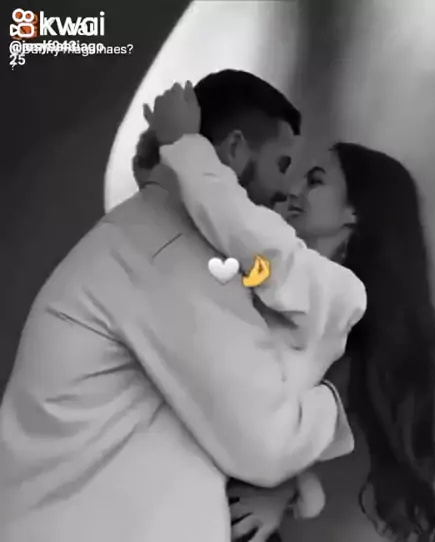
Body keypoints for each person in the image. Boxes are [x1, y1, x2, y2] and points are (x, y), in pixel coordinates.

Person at [0, 70, 363, 542]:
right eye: (281, 165)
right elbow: (266, 443)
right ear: (235, 150)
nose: (284, 192)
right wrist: (335, 400)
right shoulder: (174, 252)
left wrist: (294, 487)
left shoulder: (148, 238)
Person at [143, 82, 435, 542]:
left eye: (315, 180)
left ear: (354, 213)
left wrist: (184, 144)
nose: (291, 190)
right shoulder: (273, 276)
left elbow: (308, 424)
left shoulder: (338, 305)